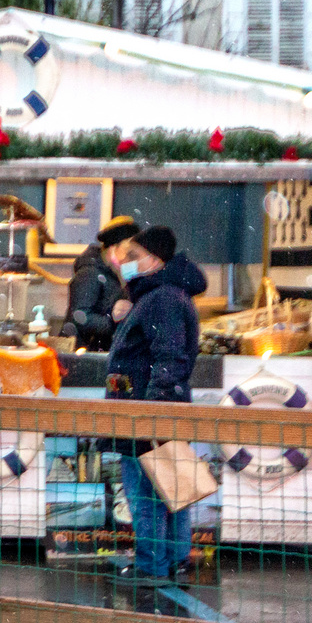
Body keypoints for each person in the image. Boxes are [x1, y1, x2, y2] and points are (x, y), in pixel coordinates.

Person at [103, 225, 207, 587]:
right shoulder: (167, 295)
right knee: (173, 490)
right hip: (164, 408)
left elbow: (169, 357)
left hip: (147, 412)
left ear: (156, 260)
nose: (125, 262)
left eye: (133, 256)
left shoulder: (162, 299)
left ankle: (152, 566)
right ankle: (174, 562)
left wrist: (153, 413)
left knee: (146, 494)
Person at [61, 215, 137, 351]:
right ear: (113, 248)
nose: (131, 257)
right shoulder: (89, 273)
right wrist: (115, 322)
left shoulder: (114, 273)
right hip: (83, 352)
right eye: (128, 251)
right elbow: (80, 317)